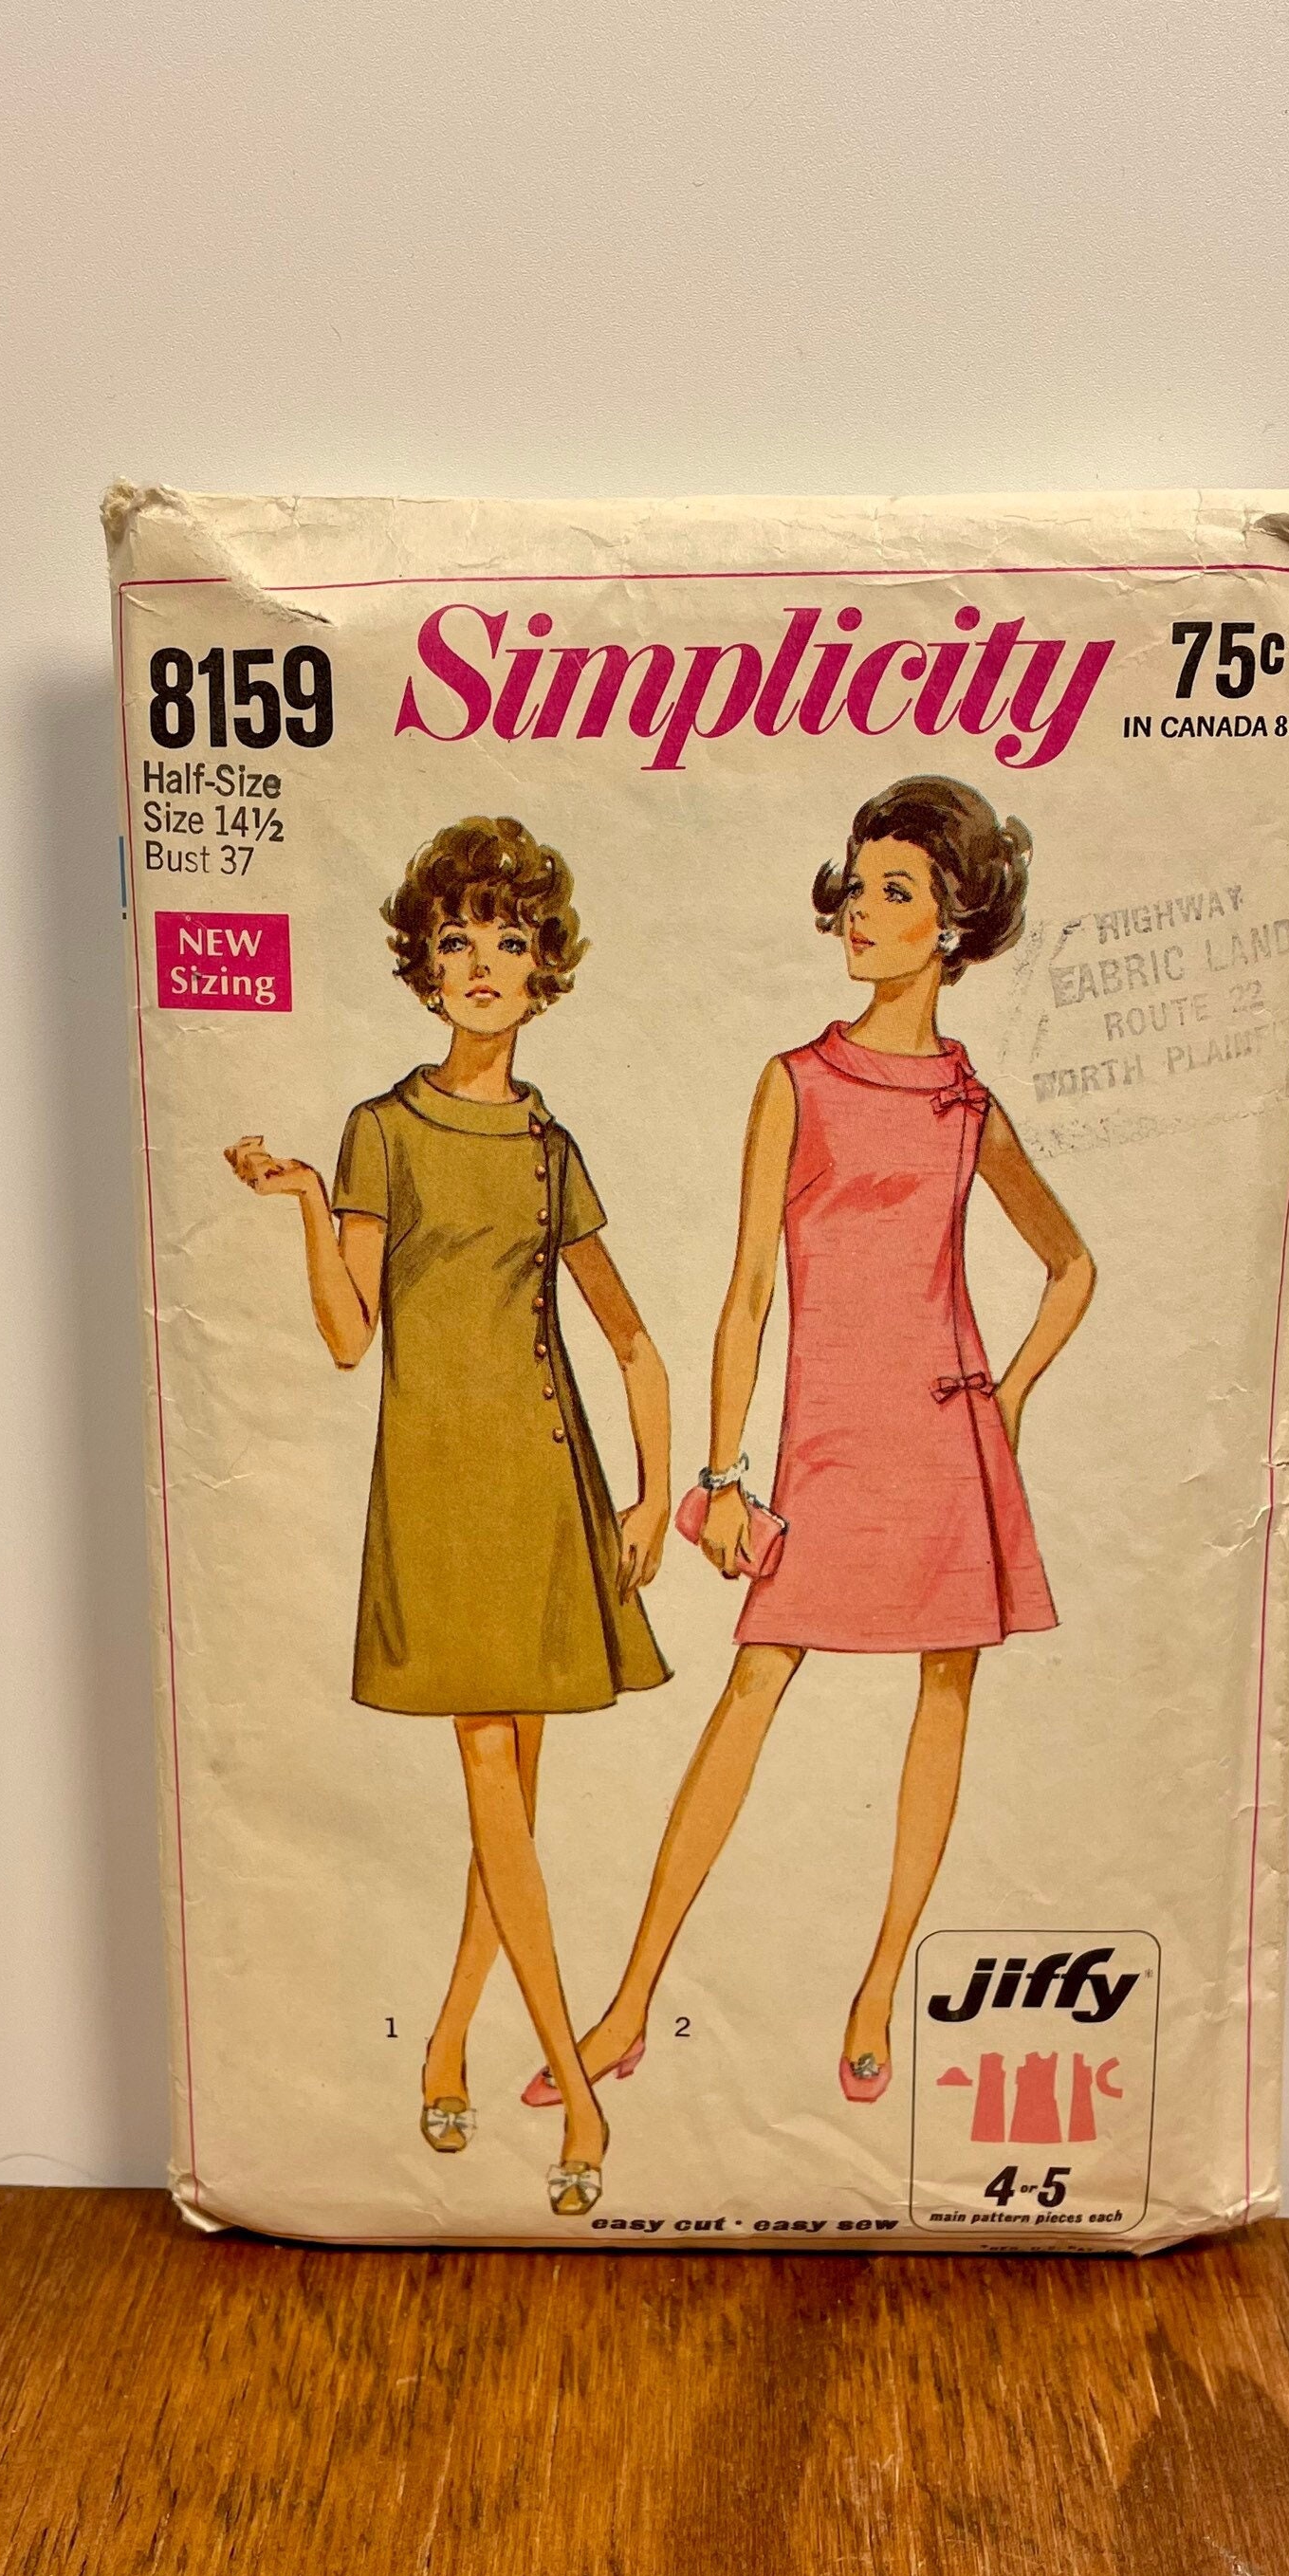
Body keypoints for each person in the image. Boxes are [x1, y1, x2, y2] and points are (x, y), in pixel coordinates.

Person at [534, 775, 1094, 2114]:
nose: (862, 908)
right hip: (825, 1451)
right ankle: (628, 2004)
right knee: (751, 1689)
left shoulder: (969, 1105)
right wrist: (723, 1474)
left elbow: (1071, 1267)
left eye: (897, 890)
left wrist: (1010, 1399)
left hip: (946, 1447)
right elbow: (746, 1295)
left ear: (953, 923)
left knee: (944, 1696)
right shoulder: (795, 1083)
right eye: (857, 882)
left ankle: (878, 1983)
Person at [228, 816, 670, 2217]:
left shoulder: (548, 1144)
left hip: (546, 1484)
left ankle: (443, 2039)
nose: (482, 963)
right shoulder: (381, 1130)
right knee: (493, 1776)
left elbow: (632, 1340)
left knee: (511, 1805)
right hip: (436, 1487)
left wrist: (654, 1492)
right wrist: (309, 1204)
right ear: (425, 967)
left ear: (545, 971)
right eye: (458, 940)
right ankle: (577, 2089)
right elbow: (348, 1336)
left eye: (509, 941)